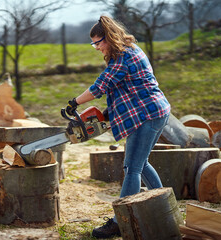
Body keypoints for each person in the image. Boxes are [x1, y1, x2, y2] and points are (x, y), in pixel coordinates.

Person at [65, 15, 171, 239]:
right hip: (152, 111)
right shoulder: (126, 52)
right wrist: (106, 113)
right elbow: (121, 89)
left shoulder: (124, 55)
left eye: (98, 42)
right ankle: (163, 206)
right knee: (140, 163)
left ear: (109, 37)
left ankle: (118, 222)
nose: (96, 48)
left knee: (132, 168)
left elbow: (99, 87)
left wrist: (74, 102)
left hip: (147, 114)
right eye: (93, 43)